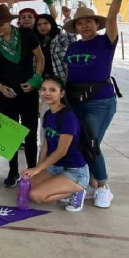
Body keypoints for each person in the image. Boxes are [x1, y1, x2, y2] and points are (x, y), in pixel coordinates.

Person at [62, 0, 129, 208]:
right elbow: (70, 73)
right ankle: (90, 184)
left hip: (100, 101)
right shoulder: (72, 48)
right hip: (74, 101)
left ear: (95, 24)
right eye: (80, 23)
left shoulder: (105, 42)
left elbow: (111, 19)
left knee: (91, 144)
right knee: (79, 142)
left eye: (88, 21)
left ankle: (103, 187)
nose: (84, 26)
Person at [0, 4, 44, 188]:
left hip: (28, 92)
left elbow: (40, 58)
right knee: (9, 134)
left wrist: (35, 80)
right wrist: (0, 87)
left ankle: (32, 170)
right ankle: (13, 170)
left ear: (9, 21)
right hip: (7, 94)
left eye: (1, 23)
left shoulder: (27, 34)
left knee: (30, 132)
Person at [23, 76, 90, 213]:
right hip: (55, 167)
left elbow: (61, 151)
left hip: (74, 170)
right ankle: (60, 184)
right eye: (43, 89)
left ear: (62, 93)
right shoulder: (48, 114)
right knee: (24, 188)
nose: (46, 93)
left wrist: (37, 169)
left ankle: (78, 190)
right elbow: (46, 146)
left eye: (52, 90)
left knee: (36, 196)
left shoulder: (68, 117)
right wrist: (37, 169)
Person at [34, 14, 76, 82]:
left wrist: (67, 17)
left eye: (45, 23)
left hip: (60, 78)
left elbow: (72, 39)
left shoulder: (59, 37)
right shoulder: (36, 42)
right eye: (39, 25)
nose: (42, 26)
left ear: (52, 24)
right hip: (42, 80)